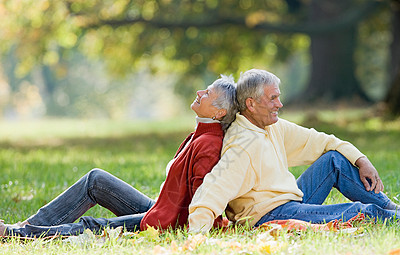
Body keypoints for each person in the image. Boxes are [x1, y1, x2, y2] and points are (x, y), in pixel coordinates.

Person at [188, 69, 400, 233]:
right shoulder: (243, 143)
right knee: (361, 213)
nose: (280, 104)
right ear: (251, 104)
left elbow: (322, 141)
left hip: (291, 202)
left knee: (334, 161)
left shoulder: (270, 126)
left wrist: (361, 159)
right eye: (273, 98)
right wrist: (197, 236)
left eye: (279, 97)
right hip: (268, 216)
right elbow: (214, 188)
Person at [0, 75, 238, 238]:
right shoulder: (199, 134)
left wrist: (205, 231)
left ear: (219, 112)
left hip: (166, 223)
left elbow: (203, 201)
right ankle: (32, 224)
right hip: (161, 209)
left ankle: (17, 235)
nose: (199, 92)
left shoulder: (208, 144)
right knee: (96, 180)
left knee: (93, 226)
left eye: (207, 93)